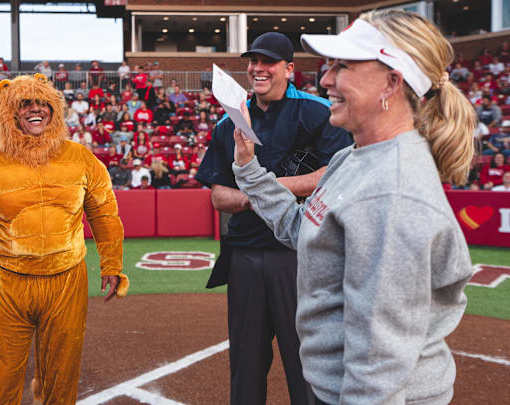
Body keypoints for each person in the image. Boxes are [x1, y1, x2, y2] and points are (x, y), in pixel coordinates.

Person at [232, 10, 475, 404]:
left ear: (391, 83)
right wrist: (249, 166)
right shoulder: (354, 156)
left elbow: (379, 366)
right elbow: (303, 229)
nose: (326, 79)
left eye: (343, 66)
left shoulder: (391, 194)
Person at [0, 73, 128, 404]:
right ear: (10, 112)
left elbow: (104, 214)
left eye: (43, 103)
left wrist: (112, 264)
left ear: (54, 109)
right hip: (12, 283)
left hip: (67, 280)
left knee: (61, 376)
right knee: (0, 378)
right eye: (25, 103)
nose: (35, 109)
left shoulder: (82, 159)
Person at [195, 31, 352, 405]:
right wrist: (258, 198)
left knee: (308, 363)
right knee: (246, 362)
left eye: (268, 62)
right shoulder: (228, 122)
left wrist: (265, 188)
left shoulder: (318, 112)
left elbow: (331, 175)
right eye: (253, 62)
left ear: (289, 68)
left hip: (301, 252)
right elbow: (218, 195)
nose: (258, 69)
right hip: (245, 255)